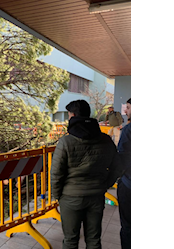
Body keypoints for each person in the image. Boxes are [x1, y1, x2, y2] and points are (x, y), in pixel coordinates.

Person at [51, 99, 122, 249]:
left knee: (71, 240)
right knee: (94, 240)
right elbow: (117, 167)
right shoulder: (106, 140)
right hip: (96, 196)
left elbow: (56, 174)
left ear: (74, 115)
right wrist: (104, 185)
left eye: (69, 115)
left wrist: (58, 196)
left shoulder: (66, 142)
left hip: (70, 198)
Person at [117, 98, 131, 249]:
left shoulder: (128, 130)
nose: (126, 111)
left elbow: (122, 157)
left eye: (128, 107)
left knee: (127, 226)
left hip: (129, 185)